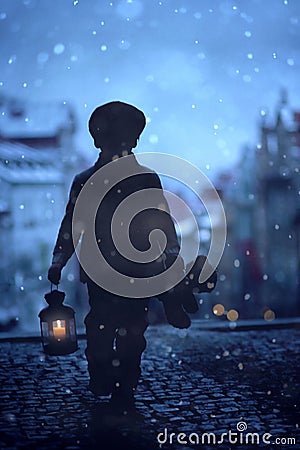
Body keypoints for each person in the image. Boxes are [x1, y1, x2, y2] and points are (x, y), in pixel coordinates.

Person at [48, 101, 195, 407]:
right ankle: (117, 379)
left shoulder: (94, 180)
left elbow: (72, 226)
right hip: (123, 272)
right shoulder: (137, 179)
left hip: (119, 272)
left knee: (115, 328)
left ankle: (116, 380)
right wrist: (171, 259)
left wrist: (60, 260)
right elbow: (73, 225)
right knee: (124, 330)